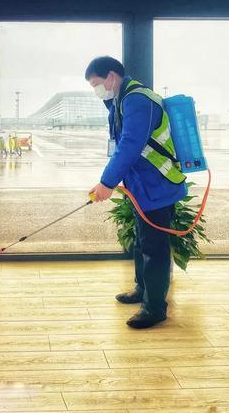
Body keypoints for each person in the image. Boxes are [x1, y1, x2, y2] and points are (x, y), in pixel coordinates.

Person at [86, 56, 187, 329]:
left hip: (157, 184)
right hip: (141, 185)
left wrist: (106, 182)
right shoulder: (121, 100)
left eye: (96, 84)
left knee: (155, 247)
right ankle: (143, 289)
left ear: (111, 77)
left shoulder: (138, 100)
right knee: (143, 242)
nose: (97, 91)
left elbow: (130, 145)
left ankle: (154, 308)